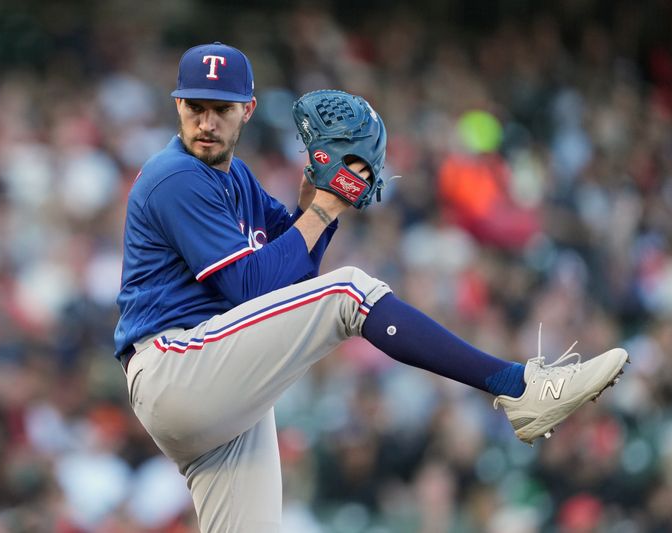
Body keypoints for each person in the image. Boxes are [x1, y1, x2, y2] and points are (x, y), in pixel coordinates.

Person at [114, 42, 629, 533]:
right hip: (176, 366)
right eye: (196, 106)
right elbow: (253, 290)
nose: (206, 122)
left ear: (246, 110)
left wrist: (317, 204)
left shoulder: (237, 180)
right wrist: (324, 206)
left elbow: (293, 278)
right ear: (177, 103)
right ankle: (519, 387)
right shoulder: (175, 176)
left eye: (220, 109)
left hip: (215, 387)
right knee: (351, 294)